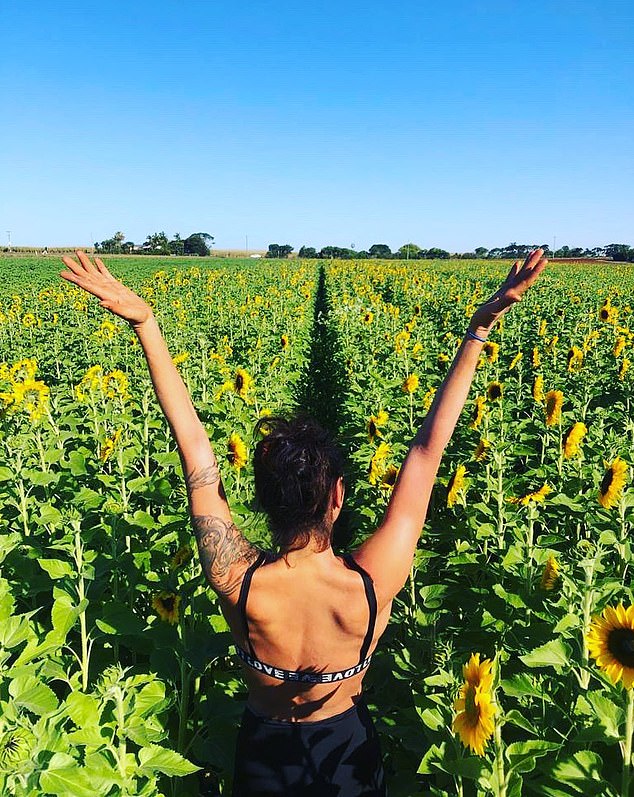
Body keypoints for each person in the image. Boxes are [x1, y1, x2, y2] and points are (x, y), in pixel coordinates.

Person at [60, 249, 548, 796]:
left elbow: (195, 449)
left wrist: (146, 325)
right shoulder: (370, 580)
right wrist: (479, 330)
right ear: (338, 497)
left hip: (265, 753)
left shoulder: (235, 577)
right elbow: (426, 454)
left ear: (260, 499)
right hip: (346, 751)